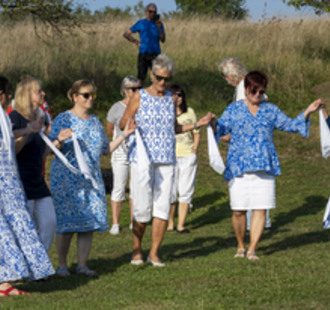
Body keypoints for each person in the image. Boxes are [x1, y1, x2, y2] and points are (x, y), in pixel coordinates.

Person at [215, 71, 323, 260]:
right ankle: (240, 245)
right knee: (238, 210)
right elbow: (220, 129)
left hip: (264, 167)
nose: (257, 95)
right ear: (246, 89)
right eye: (253, 91)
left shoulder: (270, 110)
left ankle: (252, 249)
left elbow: (290, 124)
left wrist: (307, 111)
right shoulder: (233, 109)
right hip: (238, 167)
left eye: (261, 91)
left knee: (261, 208)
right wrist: (211, 123)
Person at [120, 54, 213, 266]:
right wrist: (128, 124)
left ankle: (154, 253)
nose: (163, 83)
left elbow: (174, 128)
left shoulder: (171, 99)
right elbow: (123, 122)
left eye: (167, 79)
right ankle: (137, 249)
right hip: (142, 159)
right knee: (142, 210)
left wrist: (198, 124)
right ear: (152, 75)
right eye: (159, 78)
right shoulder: (139, 96)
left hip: (167, 160)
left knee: (162, 207)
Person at [49, 80, 136, 276]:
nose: (90, 99)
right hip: (67, 180)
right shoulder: (63, 119)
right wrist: (59, 140)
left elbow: (106, 149)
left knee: (88, 224)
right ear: (74, 96)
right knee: (67, 224)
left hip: (91, 179)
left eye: (92, 95)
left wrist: (124, 134)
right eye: (86, 95)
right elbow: (50, 148)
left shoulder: (95, 121)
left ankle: (82, 265)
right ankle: (62, 265)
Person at [0, 76, 55, 297]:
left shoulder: (3, 115)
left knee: (15, 228)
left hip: (10, 183)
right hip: (6, 182)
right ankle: (5, 282)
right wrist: (27, 131)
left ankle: (8, 280)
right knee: (6, 231)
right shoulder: (8, 115)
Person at [9, 77, 71, 253]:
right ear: (27, 94)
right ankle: (27, 268)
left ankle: (38, 264)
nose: (43, 93)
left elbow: (41, 154)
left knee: (49, 222)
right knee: (24, 229)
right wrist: (27, 132)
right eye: (38, 91)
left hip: (38, 181)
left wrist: (58, 140)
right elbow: (13, 152)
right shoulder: (14, 118)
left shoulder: (38, 118)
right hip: (21, 183)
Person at [218, 57, 272, 231]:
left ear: (231, 75)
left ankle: (251, 222)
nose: (225, 80)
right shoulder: (246, 85)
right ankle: (261, 220)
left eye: (225, 76)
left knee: (249, 181)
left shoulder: (244, 88)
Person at [107, 75, 141, 235]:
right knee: (119, 187)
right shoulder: (116, 108)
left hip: (136, 151)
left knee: (135, 187)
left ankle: (134, 220)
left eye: (138, 88)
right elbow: (110, 128)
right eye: (133, 89)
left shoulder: (141, 105)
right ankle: (115, 223)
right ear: (124, 91)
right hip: (120, 152)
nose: (136, 92)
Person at [167, 84, 200, 233]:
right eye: (174, 95)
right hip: (170, 156)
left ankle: (181, 225)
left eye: (180, 95)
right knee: (170, 191)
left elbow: (196, 132)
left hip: (187, 154)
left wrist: (194, 150)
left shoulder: (190, 112)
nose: (178, 98)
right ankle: (169, 224)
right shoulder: (165, 112)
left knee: (185, 191)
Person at [123, 3, 165, 84]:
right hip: (144, 53)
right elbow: (126, 34)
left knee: (157, 77)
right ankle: (138, 94)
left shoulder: (159, 24)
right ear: (146, 12)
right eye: (150, 11)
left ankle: (156, 95)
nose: (152, 14)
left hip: (156, 54)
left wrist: (159, 28)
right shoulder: (141, 23)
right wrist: (136, 42)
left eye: (154, 12)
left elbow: (163, 40)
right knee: (140, 78)